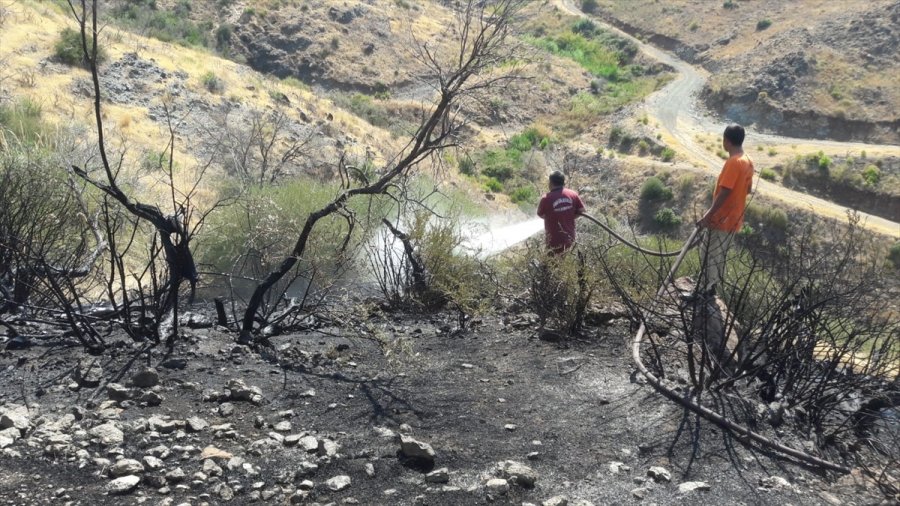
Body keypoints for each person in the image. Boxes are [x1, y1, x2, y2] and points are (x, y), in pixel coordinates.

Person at [696, 124, 754, 296]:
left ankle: (704, 292)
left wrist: (708, 215)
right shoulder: (748, 161)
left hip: (722, 218)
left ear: (726, 141)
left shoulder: (734, 162)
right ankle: (710, 288)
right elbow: (748, 189)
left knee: (708, 254)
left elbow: (725, 191)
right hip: (734, 219)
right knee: (717, 255)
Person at [537, 171, 585, 254]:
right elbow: (581, 211)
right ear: (563, 182)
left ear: (551, 183)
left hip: (553, 241)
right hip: (570, 238)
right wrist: (567, 216)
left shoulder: (545, 198)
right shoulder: (573, 194)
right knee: (567, 261)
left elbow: (540, 214)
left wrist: (555, 217)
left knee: (552, 264)